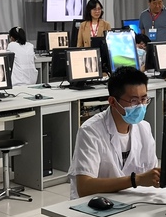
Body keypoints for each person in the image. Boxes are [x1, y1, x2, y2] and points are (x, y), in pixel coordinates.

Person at [68, 67, 160, 199]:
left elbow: (150, 174)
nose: (140, 106)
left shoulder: (144, 128)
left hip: (133, 200)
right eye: (133, 101)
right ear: (112, 102)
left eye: (144, 99)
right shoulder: (90, 131)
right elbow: (84, 187)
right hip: (95, 204)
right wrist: (136, 180)